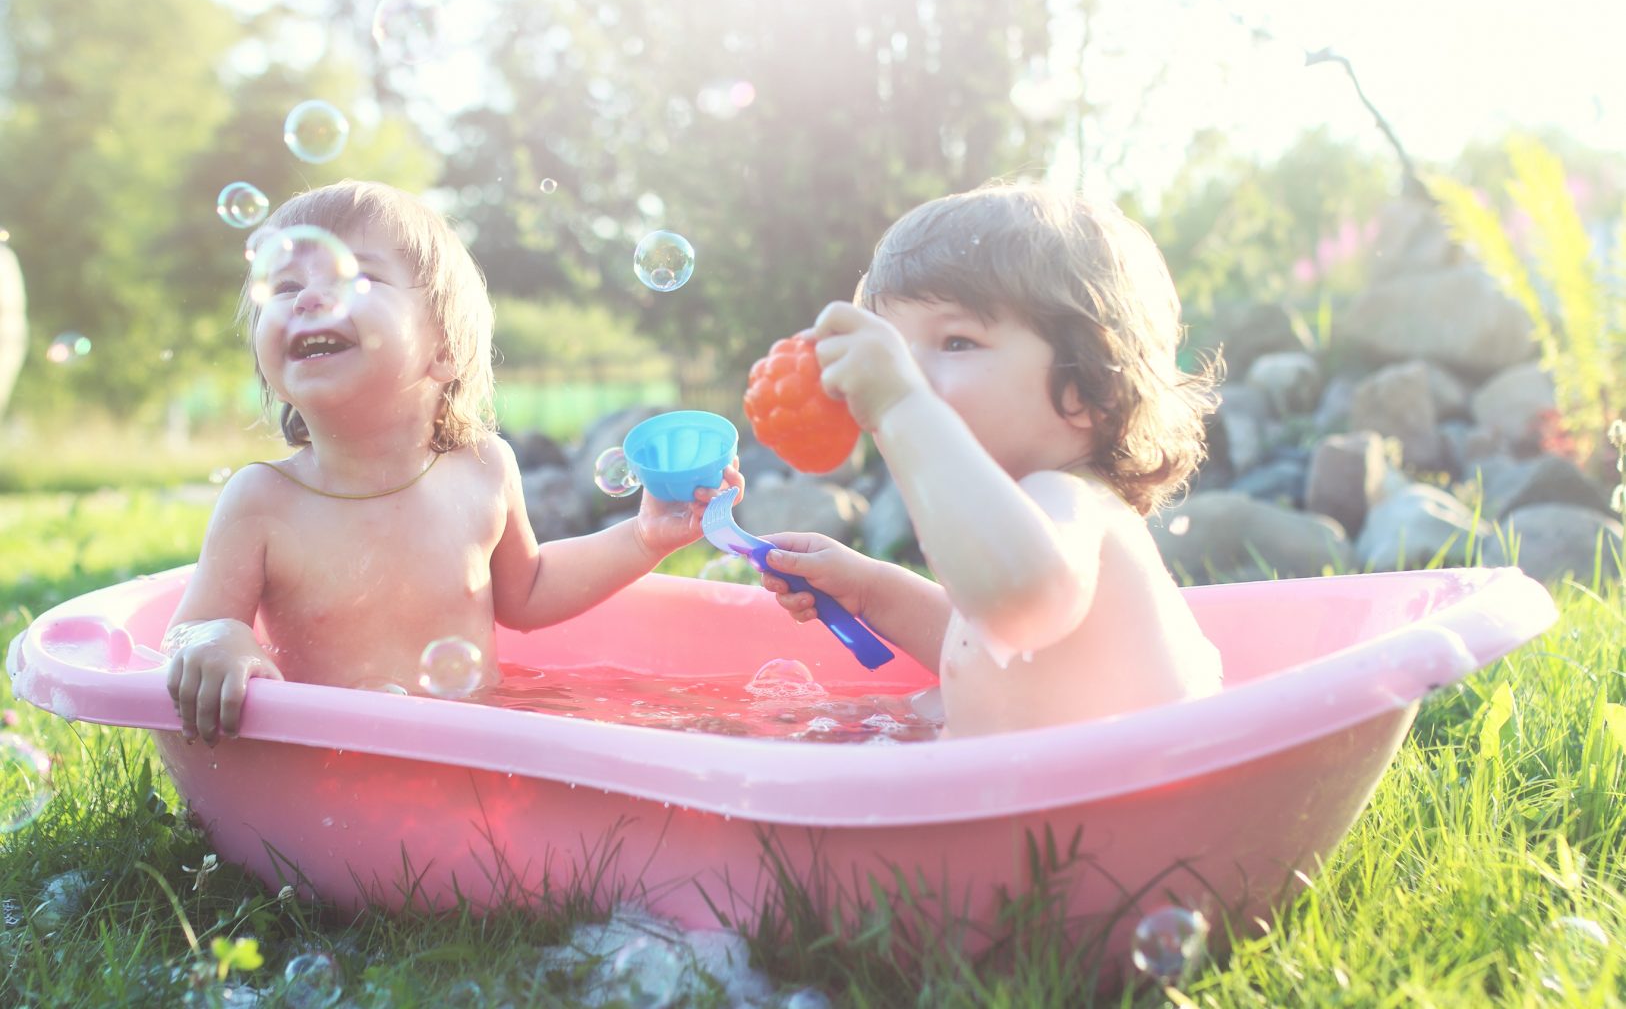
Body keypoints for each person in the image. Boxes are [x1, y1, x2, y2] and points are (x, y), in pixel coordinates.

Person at [165, 181, 741, 745]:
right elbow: (187, 630)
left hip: (471, 755)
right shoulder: (261, 500)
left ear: (444, 347)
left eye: (356, 277)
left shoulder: (483, 469)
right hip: (328, 765)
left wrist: (642, 539)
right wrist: (217, 638)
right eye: (285, 285)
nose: (308, 299)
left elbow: (530, 590)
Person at [758, 183, 1222, 737]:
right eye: (896, 353)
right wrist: (871, 591)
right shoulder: (1019, 532)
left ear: (1085, 382)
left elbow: (1013, 607)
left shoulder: (1071, 501)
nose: (906, 374)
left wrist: (904, 404)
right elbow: (988, 650)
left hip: (1131, 783)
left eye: (956, 342)